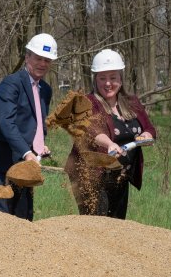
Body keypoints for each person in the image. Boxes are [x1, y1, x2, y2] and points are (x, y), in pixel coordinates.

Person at [64, 49, 156, 219]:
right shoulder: (88, 102)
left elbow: (149, 128)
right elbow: (91, 130)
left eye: (113, 78)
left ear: (121, 79)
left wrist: (147, 136)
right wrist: (109, 144)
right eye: (102, 78)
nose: (108, 84)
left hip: (120, 176)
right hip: (91, 176)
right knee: (96, 227)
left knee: (116, 227)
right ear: (95, 79)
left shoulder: (132, 102)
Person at [0, 33, 55, 221]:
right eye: (38, 58)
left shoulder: (45, 89)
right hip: (0, 163)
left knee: (23, 219)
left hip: (24, 165)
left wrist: (39, 146)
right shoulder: (11, 83)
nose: (42, 63)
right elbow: (6, 123)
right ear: (27, 57)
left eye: (47, 60)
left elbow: (36, 122)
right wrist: (27, 152)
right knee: (1, 221)